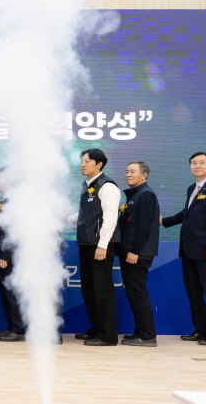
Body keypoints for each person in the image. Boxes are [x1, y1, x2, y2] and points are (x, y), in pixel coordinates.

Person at [161, 152, 206, 346]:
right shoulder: (193, 188)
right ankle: (203, 329)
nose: (197, 166)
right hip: (189, 249)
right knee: (194, 292)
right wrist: (165, 221)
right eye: (193, 163)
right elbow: (188, 213)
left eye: (201, 163)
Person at [72, 148, 120, 346]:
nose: (83, 164)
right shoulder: (88, 185)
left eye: (87, 161)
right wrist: (67, 217)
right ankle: (97, 327)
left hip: (99, 246)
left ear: (99, 164)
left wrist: (102, 245)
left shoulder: (107, 186)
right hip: (86, 242)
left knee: (102, 289)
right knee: (89, 289)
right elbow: (88, 214)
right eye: (82, 161)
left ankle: (107, 335)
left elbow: (110, 217)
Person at [116, 160, 160, 347]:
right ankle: (140, 332)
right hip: (131, 252)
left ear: (144, 175)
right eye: (127, 171)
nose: (128, 174)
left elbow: (144, 227)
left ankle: (147, 336)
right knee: (134, 294)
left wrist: (134, 251)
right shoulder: (136, 194)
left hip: (137, 254)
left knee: (138, 293)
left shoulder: (145, 195)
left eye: (133, 171)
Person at [0, 168, 25, 342]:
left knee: (13, 293)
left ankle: (19, 329)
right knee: (6, 293)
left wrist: (5, 255)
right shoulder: (6, 199)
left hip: (8, 256)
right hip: (0, 255)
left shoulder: (15, 200)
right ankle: (12, 326)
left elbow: (14, 231)